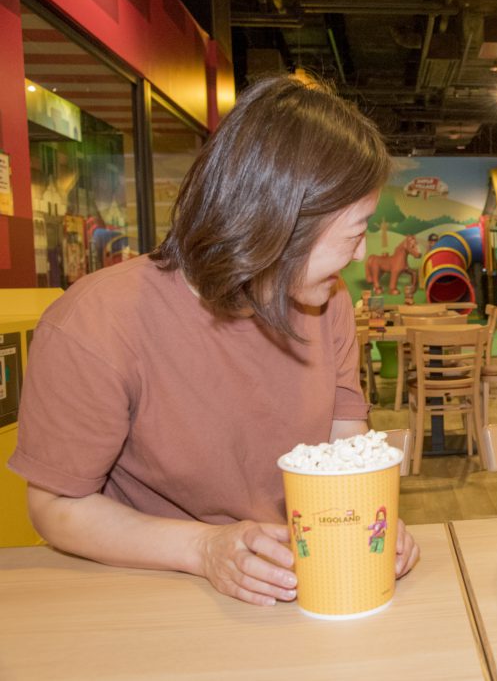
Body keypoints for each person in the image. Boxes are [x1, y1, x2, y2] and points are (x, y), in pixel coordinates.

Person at [8, 75, 419, 607]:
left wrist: (367, 519)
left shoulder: (327, 301)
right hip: (144, 593)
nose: (362, 255)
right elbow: (56, 506)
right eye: (356, 230)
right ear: (281, 224)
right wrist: (204, 549)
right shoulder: (97, 322)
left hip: (294, 582)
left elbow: (345, 438)